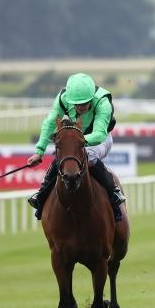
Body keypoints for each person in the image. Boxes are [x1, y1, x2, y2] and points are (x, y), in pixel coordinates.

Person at [27, 73, 125, 221]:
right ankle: (41, 194)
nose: (80, 107)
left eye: (84, 103)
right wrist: (39, 152)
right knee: (63, 157)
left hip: (100, 140)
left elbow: (99, 134)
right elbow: (49, 124)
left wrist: (75, 142)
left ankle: (114, 191)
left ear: (91, 98)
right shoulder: (63, 99)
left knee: (89, 155)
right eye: (76, 104)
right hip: (76, 138)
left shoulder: (103, 102)